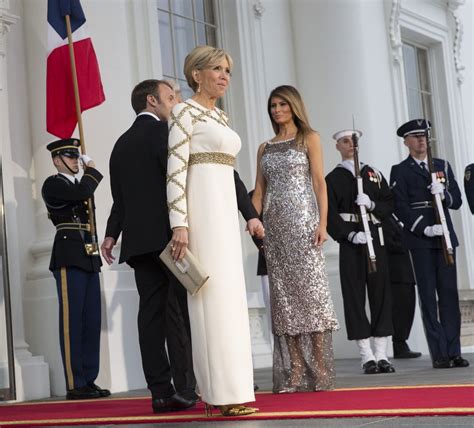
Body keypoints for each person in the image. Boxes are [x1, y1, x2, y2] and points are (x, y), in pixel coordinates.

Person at [166, 45, 260, 416]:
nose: (224, 76)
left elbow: (230, 173)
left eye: (227, 71)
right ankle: (219, 394)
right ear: (196, 74)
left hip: (224, 214)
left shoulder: (221, 116)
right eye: (217, 69)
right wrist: (180, 224)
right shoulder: (182, 111)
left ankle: (235, 390)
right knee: (210, 297)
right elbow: (175, 170)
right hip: (200, 212)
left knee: (231, 298)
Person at [101, 79, 196, 413]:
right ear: (152, 101)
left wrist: (111, 233)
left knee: (150, 316)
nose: (175, 103)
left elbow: (120, 198)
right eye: (171, 97)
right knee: (178, 315)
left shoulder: (120, 144)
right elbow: (178, 183)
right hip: (171, 239)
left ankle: (159, 392)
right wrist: (182, 226)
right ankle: (186, 389)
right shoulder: (166, 134)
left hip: (138, 244)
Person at [252, 85, 339, 393]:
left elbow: (319, 183)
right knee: (284, 302)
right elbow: (259, 191)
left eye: (282, 104)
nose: (276, 110)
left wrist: (322, 223)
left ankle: (319, 368)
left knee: (312, 297)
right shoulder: (264, 147)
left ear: (294, 107)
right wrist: (252, 220)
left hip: (304, 226)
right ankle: (295, 370)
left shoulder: (309, 139)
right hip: (274, 232)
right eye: (273, 105)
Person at [390, 119, 469, 369]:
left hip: (445, 236)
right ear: (406, 142)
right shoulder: (400, 170)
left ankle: (454, 351)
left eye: (424, 136)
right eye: (415, 137)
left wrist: (443, 194)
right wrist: (423, 227)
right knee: (428, 296)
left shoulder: (442, 166)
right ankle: (440, 354)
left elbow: (457, 200)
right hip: (421, 239)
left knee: (448, 296)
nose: (421, 140)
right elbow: (399, 207)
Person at [42, 138, 110, 400]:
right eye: (70, 157)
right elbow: (82, 194)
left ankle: (89, 379)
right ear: (58, 160)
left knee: (91, 320)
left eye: (76, 157)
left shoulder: (77, 184)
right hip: (69, 253)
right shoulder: (54, 184)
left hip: (87, 253)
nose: (75, 161)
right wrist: (91, 169)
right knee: (72, 322)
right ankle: (75, 383)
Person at [326, 129, 395, 375]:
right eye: (345, 141)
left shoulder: (373, 174)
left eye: (354, 141)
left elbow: (390, 202)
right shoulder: (333, 178)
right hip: (352, 241)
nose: (351, 145)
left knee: (381, 293)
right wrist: (349, 234)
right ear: (338, 146)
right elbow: (328, 213)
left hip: (375, 236)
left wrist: (373, 204)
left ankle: (382, 354)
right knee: (355, 296)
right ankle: (366, 355)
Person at [381, 214, 421, 359]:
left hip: (405, 271)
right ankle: (399, 344)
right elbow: (390, 244)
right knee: (401, 308)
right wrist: (409, 239)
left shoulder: (395, 218)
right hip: (396, 272)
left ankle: (402, 342)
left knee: (408, 306)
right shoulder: (384, 219)